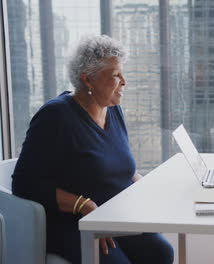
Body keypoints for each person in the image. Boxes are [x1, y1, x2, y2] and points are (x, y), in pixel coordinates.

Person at [12, 35, 174, 264]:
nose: (124, 81)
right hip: (72, 221)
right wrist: (85, 205)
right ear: (88, 80)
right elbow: (24, 183)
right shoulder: (55, 116)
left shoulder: (113, 109)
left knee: (161, 253)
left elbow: (122, 167)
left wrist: (145, 189)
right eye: (116, 75)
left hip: (113, 215)